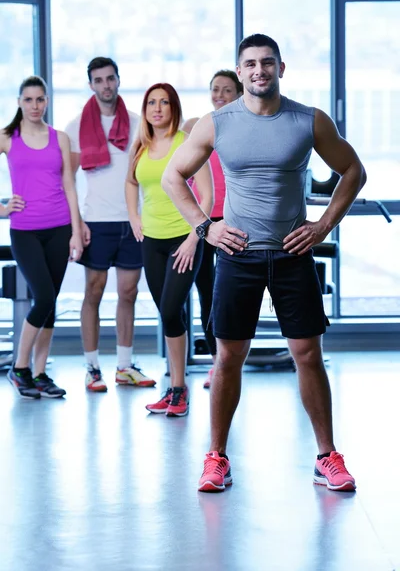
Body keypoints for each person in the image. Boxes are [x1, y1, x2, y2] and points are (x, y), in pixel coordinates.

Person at [162, 34, 366, 491]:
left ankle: (326, 456)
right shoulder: (217, 124)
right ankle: (216, 458)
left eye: (267, 63)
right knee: (227, 358)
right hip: (238, 256)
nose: (259, 71)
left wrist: (323, 225)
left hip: (293, 254)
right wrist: (205, 227)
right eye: (250, 64)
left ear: (281, 68)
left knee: (308, 354)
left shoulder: (307, 120)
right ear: (239, 71)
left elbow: (353, 171)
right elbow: (173, 175)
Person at [65, 57, 156, 392]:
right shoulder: (76, 126)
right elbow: (69, 180)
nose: (105, 85)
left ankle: (124, 365)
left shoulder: (136, 123)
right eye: (99, 80)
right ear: (90, 84)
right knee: (93, 292)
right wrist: (77, 226)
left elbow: (147, 173)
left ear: (118, 80)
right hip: (96, 222)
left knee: (129, 293)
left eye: (110, 79)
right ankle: (91, 368)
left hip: (132, 221)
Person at [126, 83, 213, 417]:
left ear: (173, 107)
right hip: (153, 241)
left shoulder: (187, 144)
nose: (157, 108)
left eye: (164, 102)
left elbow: (206, 195)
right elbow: (131, 181)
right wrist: (134, 215)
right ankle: (177, 387)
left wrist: (195, 236)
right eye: (151, 102)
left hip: (183, 239)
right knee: (169, 313)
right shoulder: (142, 145)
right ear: (145, 109)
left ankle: (179, 388)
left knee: (171, 306)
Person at [0, 75, 83, 399]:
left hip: (59, 229)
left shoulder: (59, 138)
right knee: (45, 298)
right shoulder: (8, 138)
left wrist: (76, 232)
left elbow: (69, 186)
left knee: (48, 303)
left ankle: (39, 373)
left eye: (40, 99)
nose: (34, 105)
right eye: (28, 100)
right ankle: (19, 369)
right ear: (19, 102)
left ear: (46, 102)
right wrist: (2, 207)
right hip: (25, 231)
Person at [182, 71, 243, 389]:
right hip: (205, 222)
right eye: (215, 89)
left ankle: (228, 359)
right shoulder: (198, 126)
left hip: (234, 222)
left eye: (227, 90)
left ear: (239, 92)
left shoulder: (244, 126)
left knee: (226, 296)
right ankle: (215, 363)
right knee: (207, 292)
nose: (220, 94)